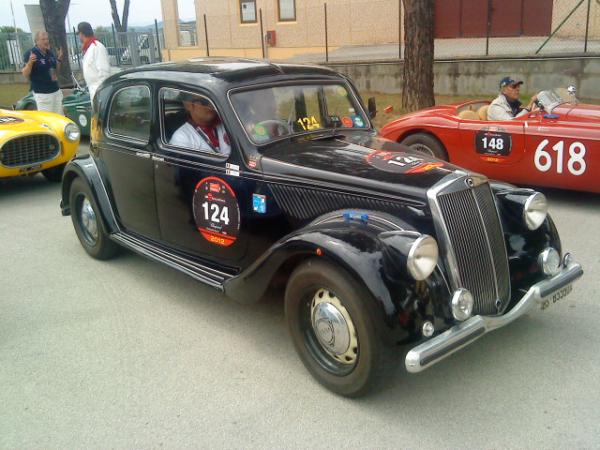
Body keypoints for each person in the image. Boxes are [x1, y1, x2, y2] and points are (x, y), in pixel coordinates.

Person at [21, 31, 64, 115]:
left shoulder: (50, 53)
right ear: (37, 41)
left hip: (56, 91)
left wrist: (59, 59)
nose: (46, 41)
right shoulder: (31, 53)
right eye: (43, 39)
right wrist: (30, 62)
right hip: (43, 95)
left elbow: (56, 70)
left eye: (47, 39)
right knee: (47, 119)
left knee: (60, 118)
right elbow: (25, 73)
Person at [77, 22, 111, 101]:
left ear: (82, 34)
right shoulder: (89, 48)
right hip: (93, 89)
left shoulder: (97, 47)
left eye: (79, 34)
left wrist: (101, 91)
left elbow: (104, 71)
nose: (79, 37)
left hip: (99, 90)